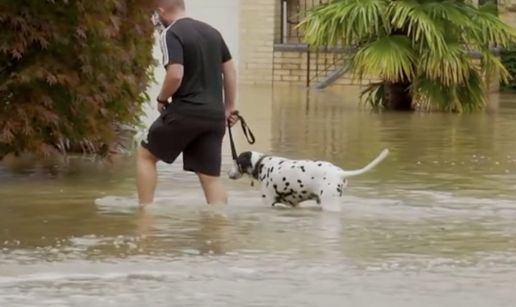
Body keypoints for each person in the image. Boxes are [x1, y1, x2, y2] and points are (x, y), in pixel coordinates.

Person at [136, 0, 239, 207]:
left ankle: (145, 213)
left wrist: (162, 99)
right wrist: (229, 108)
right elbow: (230, 72)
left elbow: (175, 75)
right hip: (214, 116)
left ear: (160, 11)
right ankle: (219, 227)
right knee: (210, 177)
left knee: (145, 155)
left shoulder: (171, 34)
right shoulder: (212, 32)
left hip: (186, 111)